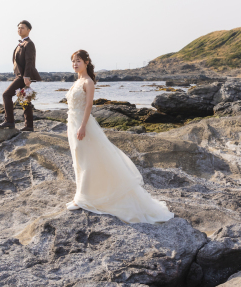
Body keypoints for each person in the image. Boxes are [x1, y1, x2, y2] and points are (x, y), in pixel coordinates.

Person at [65, 49, 174, 224]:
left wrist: (83, 126)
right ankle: (81, 195)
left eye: (78, 61)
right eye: (73, 61)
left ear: (86, 62)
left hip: (82, 124)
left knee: (87, 160)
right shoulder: (77, 81)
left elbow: (88, 107)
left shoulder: (88, 82)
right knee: (78, 159)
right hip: (72, 123)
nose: (75, 64)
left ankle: (82, 199)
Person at [0, 20, 42, 131]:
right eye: (18, 28)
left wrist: (26, 76)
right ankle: (29, 126)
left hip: (23, 76)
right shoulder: (21, 43)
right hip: (20, 75)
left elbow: (29, 61)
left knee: (6, 95)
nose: (19, 29)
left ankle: (9, 121)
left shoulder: (29, 43)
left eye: (22, 27)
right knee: (25, 99)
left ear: (28, 30)